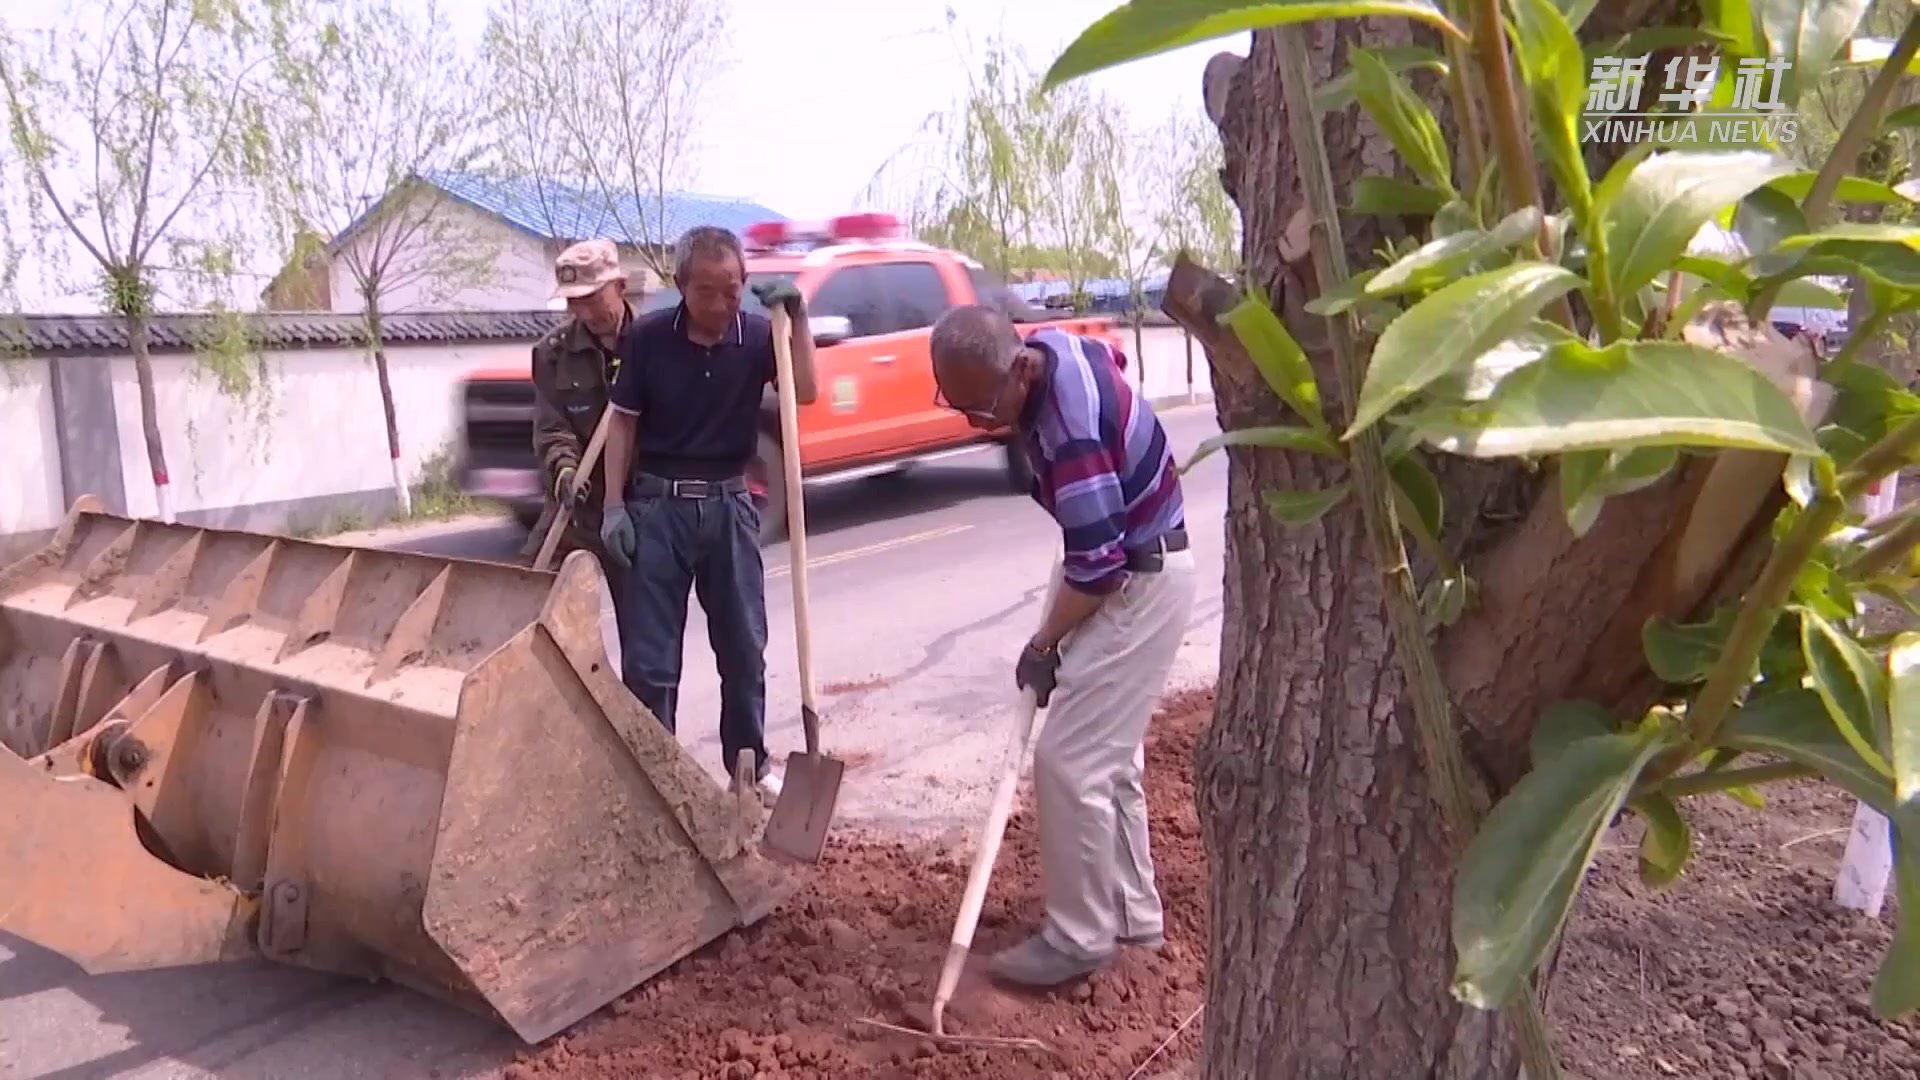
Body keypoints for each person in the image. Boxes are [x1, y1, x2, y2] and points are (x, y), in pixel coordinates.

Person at [928, 304, 1195, 988]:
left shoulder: (1069, 428)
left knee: (1070, 759)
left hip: (1138, 579)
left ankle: (1079, 938)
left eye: (982, 407)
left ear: (1019, 369)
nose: (978, 424)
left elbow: (1099, 572)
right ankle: (1134, 919)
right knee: (1110, 760)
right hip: (1127, 559)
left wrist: (1045, 643)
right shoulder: (1049, 349)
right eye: (957, 407)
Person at [598, 225, 817, 802]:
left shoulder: (756, 336)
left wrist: (798, 320)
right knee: (649, 661)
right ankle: (656, 778)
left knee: (744, 647)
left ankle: (748, 767)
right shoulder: (647, 340)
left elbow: (808, 391)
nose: (723, 304)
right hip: (658, 508)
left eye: (733, 289)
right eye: (708, 291)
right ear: (680, 286)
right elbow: (622, 423)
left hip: (729, 506)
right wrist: (614, 506)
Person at [526, 239, 637, 626]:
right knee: (527, 598)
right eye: (574, 301)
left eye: (592, 298)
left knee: (643, 631)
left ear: (619, 287)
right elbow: (552, 425)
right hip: (578, 505)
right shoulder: (551, 353)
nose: (583, 311)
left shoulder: (652, 344)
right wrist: (565, 471)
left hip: (637, 507)